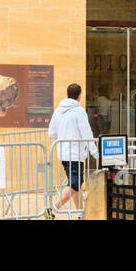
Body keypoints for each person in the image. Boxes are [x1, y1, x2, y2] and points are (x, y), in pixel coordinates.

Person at [47, 83, 96, 216]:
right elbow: (87, 134)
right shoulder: (79, 111)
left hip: (63, 153)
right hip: (75, 154)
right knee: (75, 184)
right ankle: (52, 209)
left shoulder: (58, 110)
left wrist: (64, 136)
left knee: (75, 184)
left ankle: (81, 214)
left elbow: (51, 132)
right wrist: (95, 153)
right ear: (80, 95)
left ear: (68, 94)